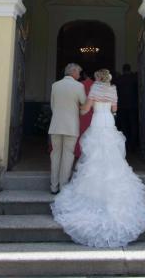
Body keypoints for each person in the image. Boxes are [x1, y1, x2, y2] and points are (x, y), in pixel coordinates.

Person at [51, 68, 145, 248]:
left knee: (93, 156)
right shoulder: (113, 90)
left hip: (97, 121)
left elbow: (86, 109)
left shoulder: (95, 89)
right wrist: (109, 111)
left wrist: (79, 109)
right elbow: (115, 109)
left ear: (97, 77)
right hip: (109, 122)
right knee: (112, 156)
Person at [48, 62, 86, 195]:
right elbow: (83, 102)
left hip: (56, 125)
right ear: (73, 72)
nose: (79, 75)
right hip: (71, 126)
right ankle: (63, 187)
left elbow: (52, 106)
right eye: (78, 73)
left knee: (55, 155)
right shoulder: (79, 86)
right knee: (68, 156)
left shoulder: (55, 85)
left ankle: (54, 186)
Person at [114, 63, 139, 150]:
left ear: (123, 70)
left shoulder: (118, 79)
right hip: (133, 105)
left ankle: (126, 144)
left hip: (122, 106)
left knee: (124, 126)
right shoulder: (135, 78)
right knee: (134, 125)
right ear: (130, 69)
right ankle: (133, 145)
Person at [74, 70, 94, 159]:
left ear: (84, 75)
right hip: (93, 113)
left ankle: (78, 151)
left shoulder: (80, 84)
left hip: (82, 111)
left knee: (80, 132)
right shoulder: (96, 86)